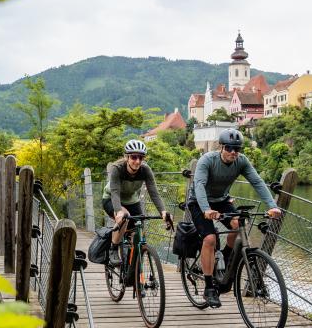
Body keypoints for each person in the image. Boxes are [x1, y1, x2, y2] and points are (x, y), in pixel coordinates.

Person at [188, 128, 282, 308]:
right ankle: (209, 287)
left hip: (222, 200)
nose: (233, 152)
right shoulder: (207, 160)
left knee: (238, 224)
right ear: (221, 147)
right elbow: (199, 185)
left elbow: (257, 182)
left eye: (237, 149)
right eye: (229, 148)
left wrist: (272, 205)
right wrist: (206, 209)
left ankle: (225, 256)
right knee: (209, 238)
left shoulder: (241, 161)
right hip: (199, 202)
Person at [103, 139, 174, 266]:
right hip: (111, 198)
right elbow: (115, 192)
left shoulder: (145, 170)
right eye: (134, 157)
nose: (137, 161)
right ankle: (113, 248)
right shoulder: (117, 169)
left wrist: (163, 212)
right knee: (124, 217)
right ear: (126, 157)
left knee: (138, 228)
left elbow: (154, 193)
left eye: (141, 158)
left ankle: (132, 264)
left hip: (131, 200)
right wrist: (118, 211)